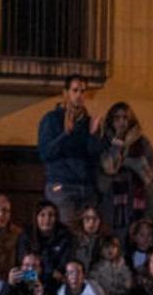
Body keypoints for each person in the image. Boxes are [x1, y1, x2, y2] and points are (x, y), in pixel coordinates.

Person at [37, 74, 103, 223]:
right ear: (65, 93)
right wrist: (65, 134)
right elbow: (45, 153)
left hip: (86, 187)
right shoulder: (51, 119)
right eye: (75, 90)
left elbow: (94, 157)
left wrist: (93, 135)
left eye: (83, 91)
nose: (79, 95)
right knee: (67, 229)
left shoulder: (89, 122)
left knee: (87, 234)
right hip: (62, 185)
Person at [97, 102, 153, 235]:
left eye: (125, 118)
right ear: (111, 121)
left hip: (138, 198)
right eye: (117, 118)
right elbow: (109, 168)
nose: (121, 122)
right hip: (113, 200)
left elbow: (149, 170)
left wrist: (128, 163)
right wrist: (117, 145)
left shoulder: (142, 142)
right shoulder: (105, 142)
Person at [16, 201, 73, 285]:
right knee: (18, 276)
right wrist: (48, 272)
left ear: (56, 218)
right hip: (31, 276)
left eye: (51, 215)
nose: (47, 219)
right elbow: (23, 261)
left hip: (57, 280)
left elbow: (63, 265)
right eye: (42, 215)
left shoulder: (65, 236)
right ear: (36, 217)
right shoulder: (26, 235)